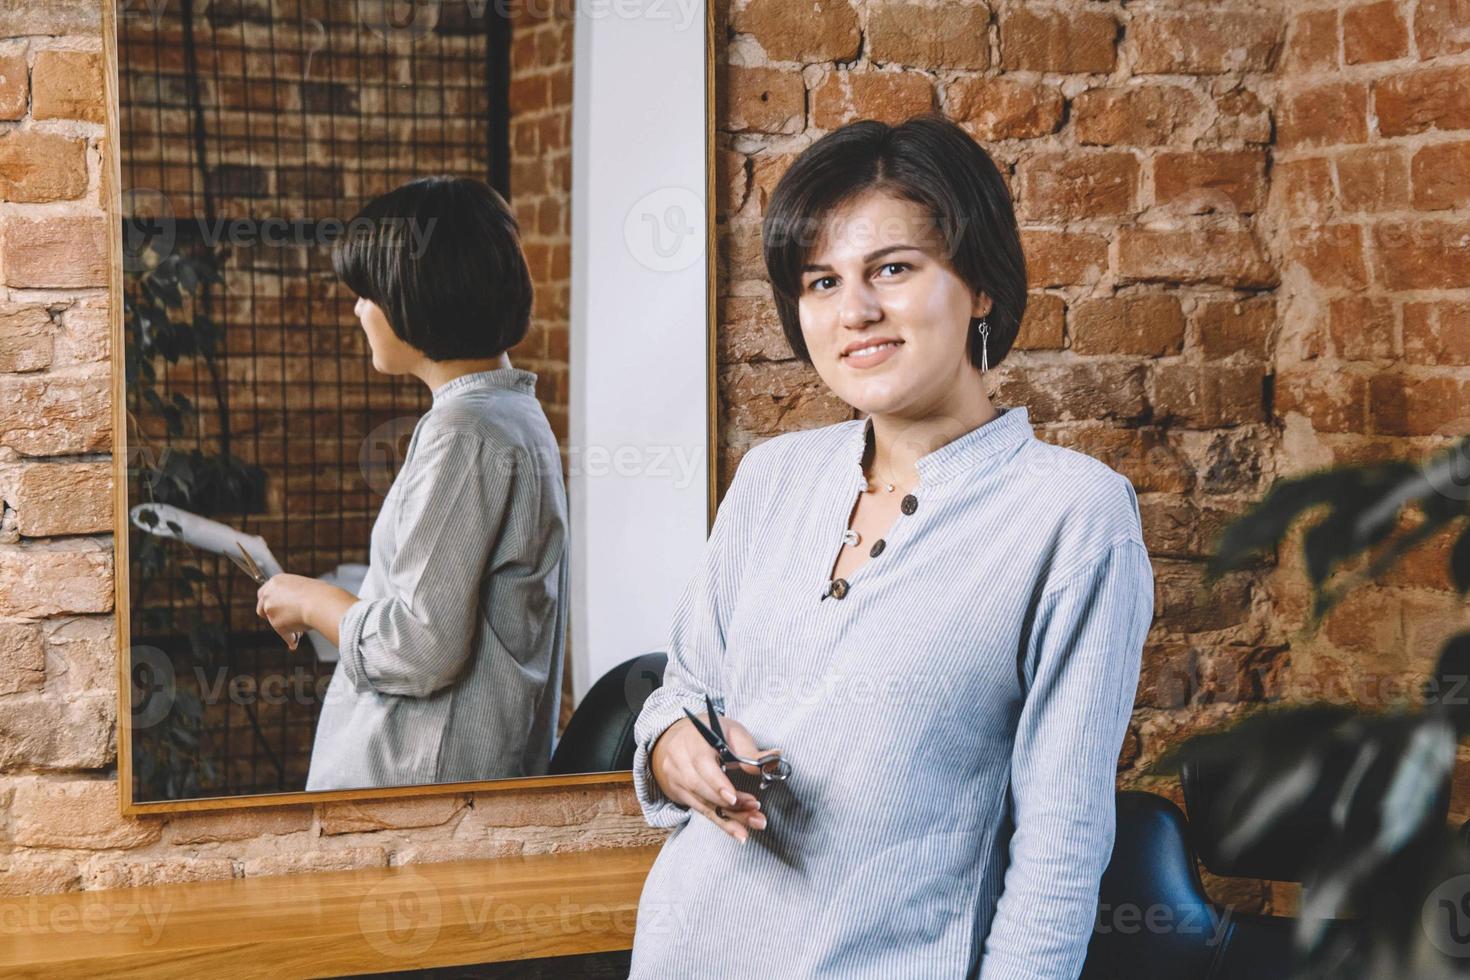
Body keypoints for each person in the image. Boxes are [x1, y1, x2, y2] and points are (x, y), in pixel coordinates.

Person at [628, 115, 1155, 977]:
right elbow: (681, 690)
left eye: (893, 269)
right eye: (822, 282)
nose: (856, 311)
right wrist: (671, 747)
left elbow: (1061, 850)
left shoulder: (1072, 516)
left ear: (979, 283)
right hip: (686, 949)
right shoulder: (771, 478)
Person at [255, 175, 568, 792]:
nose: (357, 310)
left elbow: (420, 645)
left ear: (414, 296)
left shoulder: (466, 433)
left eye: (366, 293)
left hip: (417, 788)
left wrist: (316, 603)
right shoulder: (509, 415)